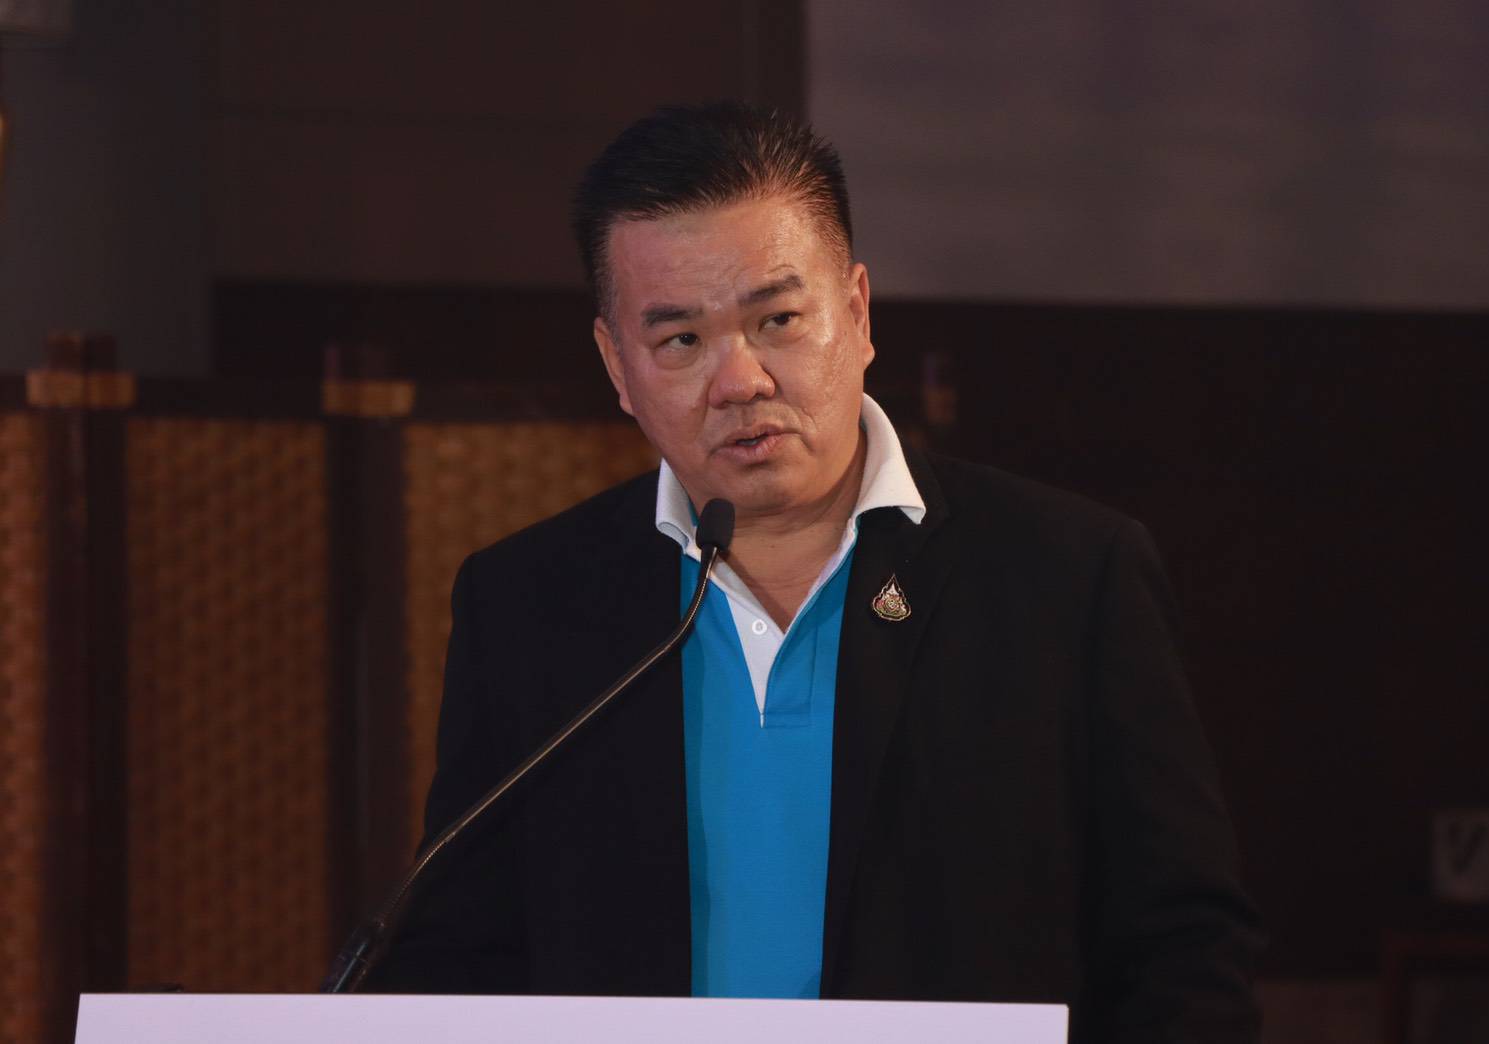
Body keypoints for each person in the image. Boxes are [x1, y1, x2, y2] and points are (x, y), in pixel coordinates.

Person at [370, 102, 1263, 1042]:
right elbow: (457, 953)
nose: (741, 381)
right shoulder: (528, 603)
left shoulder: (1067, 579)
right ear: (617, 365)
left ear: (858, 313)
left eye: (779, 319)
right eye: (681, 341)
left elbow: (1181, 953)